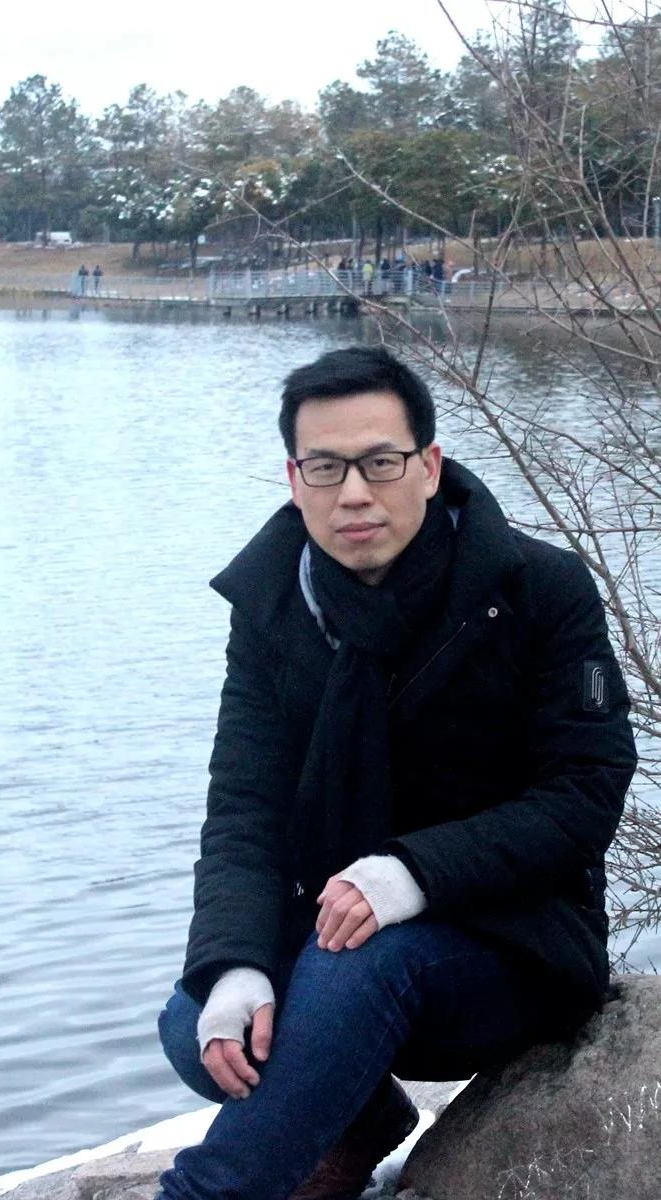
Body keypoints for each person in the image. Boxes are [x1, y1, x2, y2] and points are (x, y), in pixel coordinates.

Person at [156, 346, 636, 1200]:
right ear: (294, 477)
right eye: (326, 467)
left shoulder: (539, 589)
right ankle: (357, 1119)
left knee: (361, 966)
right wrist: (234, 959)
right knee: (197, 1019)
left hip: (510, 945)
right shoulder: (273, 603)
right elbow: (243, 810)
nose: (354, 493)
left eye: (380, 463)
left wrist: (411, 873)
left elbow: (585, 793)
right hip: (341, 937)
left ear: (429, 466)